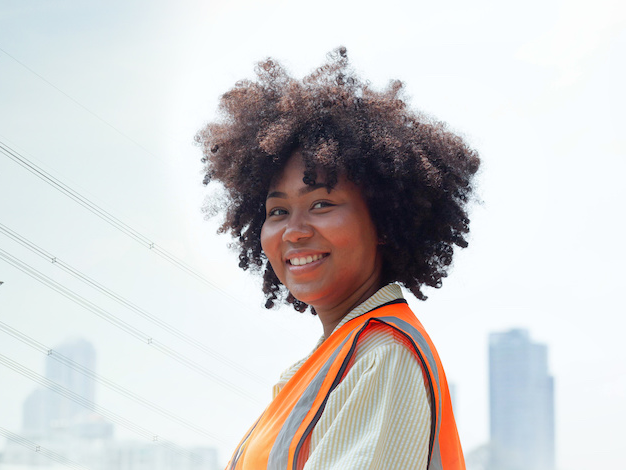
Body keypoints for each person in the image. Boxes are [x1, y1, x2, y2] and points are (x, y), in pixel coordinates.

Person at [196, 48, 480, 470]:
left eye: (322, 203)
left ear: (384, 221)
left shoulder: (385, 356)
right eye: (277, 211)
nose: (294, 230)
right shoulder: (316, 370)